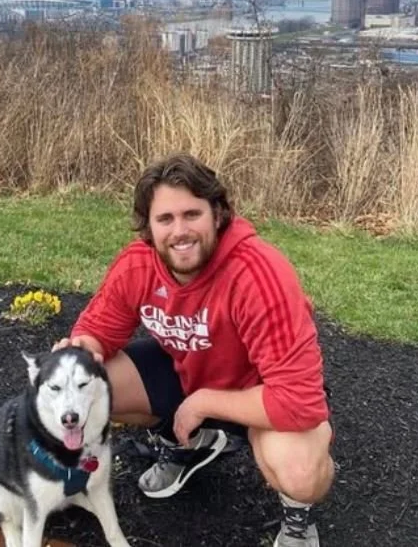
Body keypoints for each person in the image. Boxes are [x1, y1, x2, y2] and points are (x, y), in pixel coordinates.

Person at [53, 153, 334, 547]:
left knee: (300, 473)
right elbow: (97, 330)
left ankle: (297, 521)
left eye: (192, 214)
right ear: (148, 228)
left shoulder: (257, 274)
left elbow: (299, 400)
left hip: (261, 391)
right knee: (88, 386)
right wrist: (81, 350)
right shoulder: (138, 265)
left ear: (218, 214)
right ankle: (189, 446)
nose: (179, 231)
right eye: (165, 219)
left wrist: (203, 403)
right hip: (188, 370)